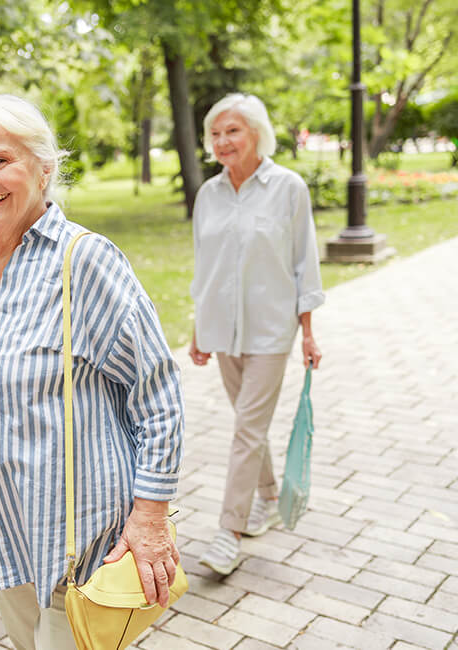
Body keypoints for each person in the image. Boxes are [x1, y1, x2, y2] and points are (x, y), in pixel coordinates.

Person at [0, 88, 185, 649]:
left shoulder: (85, 261)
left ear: (43, 167)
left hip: (77, 544)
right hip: (4, 536)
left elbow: (159, 395)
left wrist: (149, 518)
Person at [190, 93, 324, 576]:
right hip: (223, 329)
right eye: (216, 133)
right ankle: (267, 496)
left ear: (256, 133)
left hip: (271, 329)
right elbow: (206, 266)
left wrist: (308, 332)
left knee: (246, 428)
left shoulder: (288, 188)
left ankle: (229, 531)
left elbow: (304, 262)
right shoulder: (208, 195)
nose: (223, 141)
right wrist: (198, 327)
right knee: (251, 425)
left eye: (233, 131)